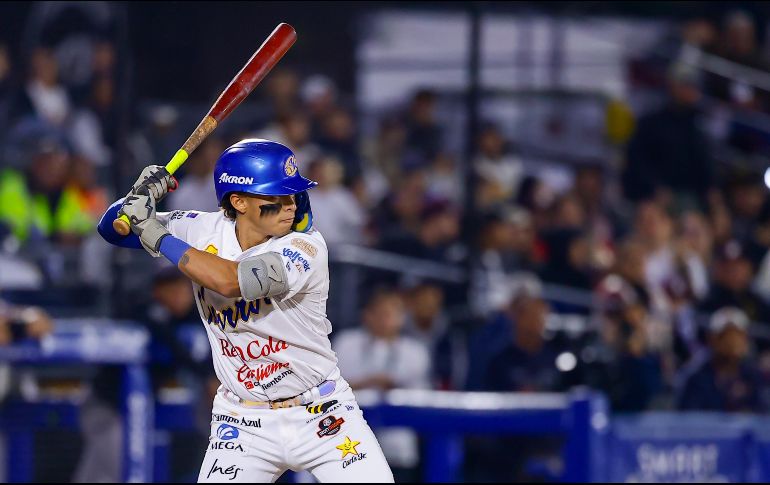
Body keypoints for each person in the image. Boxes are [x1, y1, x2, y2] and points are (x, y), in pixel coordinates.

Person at [97, 139, 393, 483]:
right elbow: (111, 229)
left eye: (293, 194)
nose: (291, 206)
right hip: (242, 422)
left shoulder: (305, 245)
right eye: (277, 197)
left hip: (321, 412)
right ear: (238, 202)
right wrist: (138, 197)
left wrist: (157, 235)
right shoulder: (201, 229)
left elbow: (232, 281)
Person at [334, 289, 431, 481]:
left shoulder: (415, 352)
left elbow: (422, 398)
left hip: (397, 446)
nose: (385, 319)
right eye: (380, 313)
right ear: (367, 315)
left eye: (393, 314)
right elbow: (328, 387)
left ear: (402, 318)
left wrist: (393, 385)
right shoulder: (346, 343)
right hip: (348, 443)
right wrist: (369, 382)